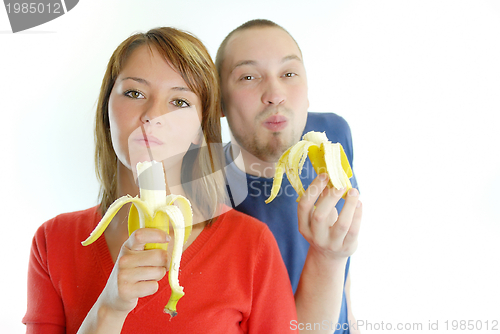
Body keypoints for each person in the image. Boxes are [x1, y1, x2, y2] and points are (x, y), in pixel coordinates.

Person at [23, 27, 298, 334]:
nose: (153, 115)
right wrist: (109, 308)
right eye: (134, 93)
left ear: (199, 128)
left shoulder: (252, 245)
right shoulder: (52, 242)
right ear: (107, 110)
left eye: (179, 102)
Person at [216, 19, 362, 333]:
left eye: (289, 74)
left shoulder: (335, 135)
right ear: (220, 103)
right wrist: (329, 258)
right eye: (249, 76)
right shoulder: (205, 194)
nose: (275, 94)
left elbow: (344, 262)